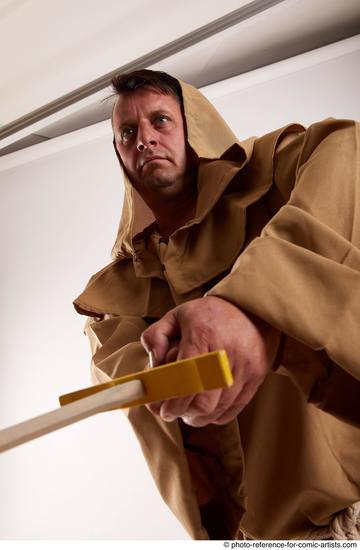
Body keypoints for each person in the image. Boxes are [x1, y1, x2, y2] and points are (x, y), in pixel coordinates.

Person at [74, 69, 360, 540]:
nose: (144, 138)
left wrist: (253, 306)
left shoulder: (274, 177)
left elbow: (349, 148)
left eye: (160, 120)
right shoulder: (115, 293)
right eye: (128, 132)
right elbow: (139, 399)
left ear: (194, 129)